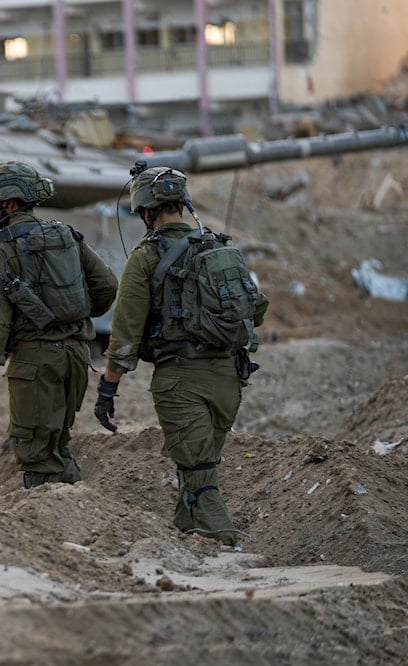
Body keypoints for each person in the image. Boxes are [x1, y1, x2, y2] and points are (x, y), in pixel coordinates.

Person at [94, 166, 269, 546]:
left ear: (145, 213)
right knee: (198, 467)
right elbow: (256, 309)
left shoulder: (144, 258)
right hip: (228, 381)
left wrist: (108, 388)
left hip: (179, 382)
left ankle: (225, 543)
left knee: (200, 474)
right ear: (183, 204)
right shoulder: (219, 249)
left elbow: (125, 334)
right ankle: (185, 532)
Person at [0, 161, 118, 489]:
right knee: (57, 444)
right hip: (77, 357)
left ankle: (54, 526)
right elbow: (108, 284)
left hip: (35, 363)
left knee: (37, 453)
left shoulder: (2, 249)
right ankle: (76, 511)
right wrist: (77, 315)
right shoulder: (65, 235)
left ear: (8, 203)